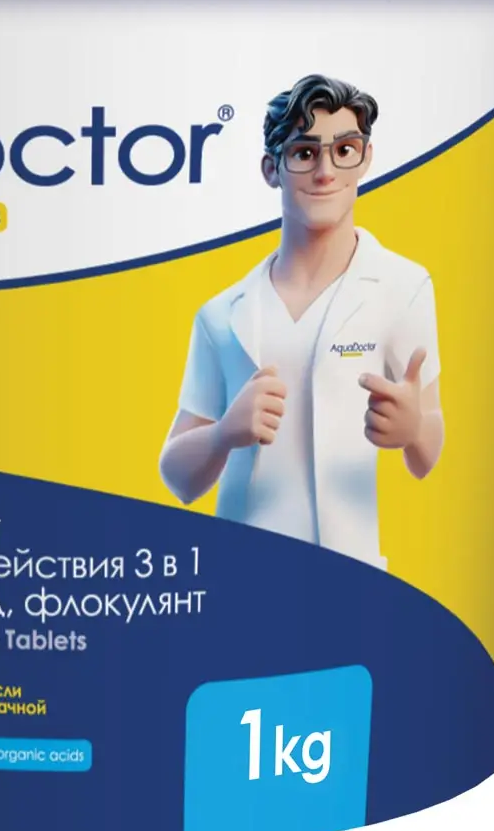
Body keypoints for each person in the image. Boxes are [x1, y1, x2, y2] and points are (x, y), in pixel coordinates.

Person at [159, 74, 444, 570]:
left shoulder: (403, 288)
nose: (326, 172)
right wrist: (224, 434)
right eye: (305, 153)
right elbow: (178, 477)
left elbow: (428, 452)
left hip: (348, 572)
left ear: (366, 158)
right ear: (272, 169)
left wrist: (414, 428)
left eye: (345, 150)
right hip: (243, 572)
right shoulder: (221, 315)